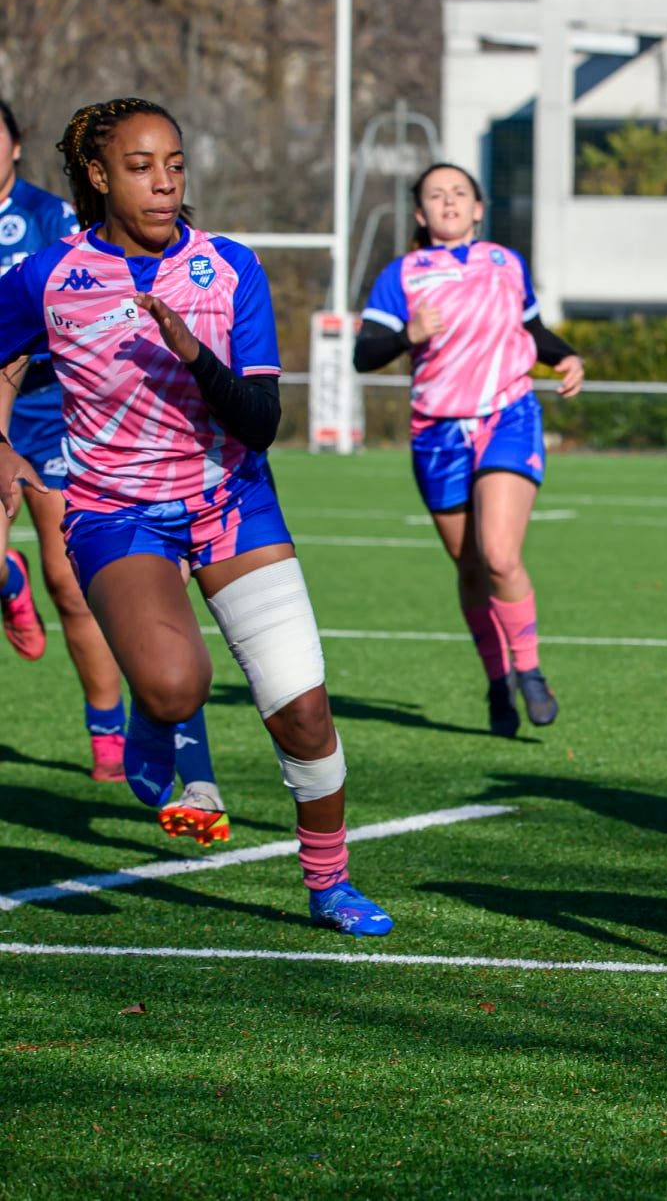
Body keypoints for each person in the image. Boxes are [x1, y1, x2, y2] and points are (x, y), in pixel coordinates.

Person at [0, 97, 392, 933]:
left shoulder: (229, 267)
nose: (164, 184)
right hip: (116, 513)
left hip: (233, 502)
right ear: (100, 178)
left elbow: (260, 421)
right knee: (179, 687)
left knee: (304, 712)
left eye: (175, 164)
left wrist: (193, 352)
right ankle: (158, 707)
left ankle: (329, 883)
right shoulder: (50, 277)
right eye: (140, 168)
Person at [0, 97, 229, 812]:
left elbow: (87, 296)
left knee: (71, 586)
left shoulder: (48, 218)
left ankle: (108, 727)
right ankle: (9, 581)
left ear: (14, 146)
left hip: (60, 414)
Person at [355, 163, 583, 738]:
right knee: (472, 568)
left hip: (507, 415)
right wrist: (409, 335)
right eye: (436, 195)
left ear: (478, 208)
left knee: (501, 554)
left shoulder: (507, 263)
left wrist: (566, 355)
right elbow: (364, 354)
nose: (449, 202)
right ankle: (495, 680)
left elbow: (530, 329)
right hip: (436, 433)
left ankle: (529, 672)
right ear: (420, 213)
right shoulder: (402, 274)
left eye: (459, 193)